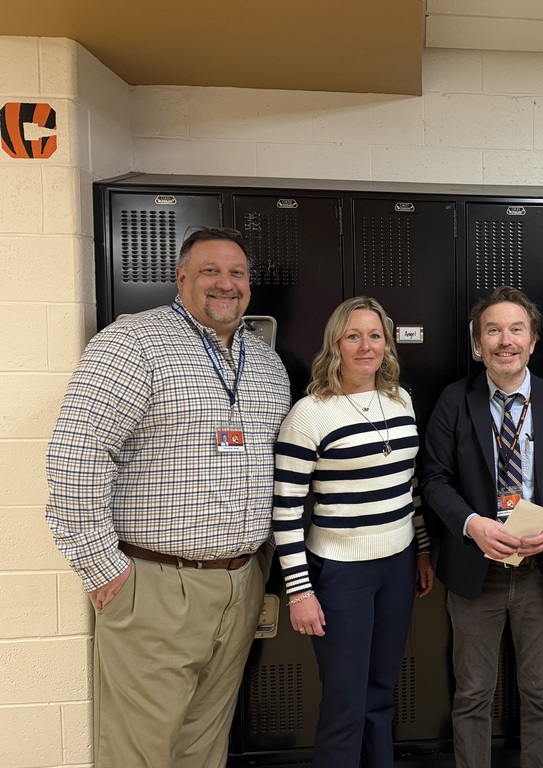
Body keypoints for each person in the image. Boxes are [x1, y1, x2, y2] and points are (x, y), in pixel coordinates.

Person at [45, 226, 291, 767]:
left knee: (205, 745)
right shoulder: (133, 343)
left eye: (237, 274)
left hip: (241, 582)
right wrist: (101, 567)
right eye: (210, 272)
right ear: (181, 279)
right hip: (155, 584)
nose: (225, 284)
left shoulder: (266, 364)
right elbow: (76, 456)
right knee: (141, 751)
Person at [421, 286, 543, 768]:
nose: (505, 340)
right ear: (478, 344)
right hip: (477, 572)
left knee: (540, 692)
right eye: (492, 330)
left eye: (516, 329)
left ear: (533, 341)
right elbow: (433, 478)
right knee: (473, 693)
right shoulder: (454, 401)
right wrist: (471, 524)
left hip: (542, 569)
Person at [272, 296, 435, 767]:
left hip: (398, 566)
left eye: (375, 336)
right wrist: (299, 592)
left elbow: (409, 485)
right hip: (340, 575)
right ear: (335, 345)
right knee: (345, 705)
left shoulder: (399, 399)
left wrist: (422, 550)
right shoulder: (310, 414)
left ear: (387, 344)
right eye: (353, 336)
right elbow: (285, 511)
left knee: (382, 696)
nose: (366, 347)